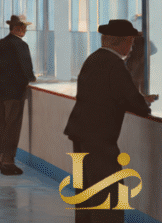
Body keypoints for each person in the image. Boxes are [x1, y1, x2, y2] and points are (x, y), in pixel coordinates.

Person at [64, 20, 155, 220]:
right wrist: (144, 104)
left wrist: (137, 99)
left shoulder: (94, 58)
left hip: (80, 132)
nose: (131, 47)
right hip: (99, 138)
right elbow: (130, 99)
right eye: (131, 42)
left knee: (85, 190)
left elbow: (106, 93)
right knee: (106, 193)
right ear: (125, 41)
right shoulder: (115, 64)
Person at [0, 15, 36, 176]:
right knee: (13, 126)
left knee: (3, 124)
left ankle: (0, 156)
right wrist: (31, 78)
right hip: (15, 91)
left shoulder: (1, 43)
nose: (25, 30)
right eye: (24, 28)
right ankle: (8, 162)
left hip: (1, 89)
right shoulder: (21, 45)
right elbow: (26, 67)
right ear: (18, 29)